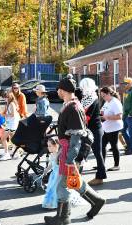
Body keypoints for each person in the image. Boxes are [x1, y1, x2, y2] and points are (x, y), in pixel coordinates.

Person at [44, 76, 105, 225]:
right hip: (67, 149)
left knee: (62, 186)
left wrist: (71, 159)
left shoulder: (73, 107)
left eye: (58, 89)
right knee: (73, 181)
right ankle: (96, 201)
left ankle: (63, 218)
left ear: (63, 90)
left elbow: (77, 135)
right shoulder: (70, 105)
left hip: (70, 151)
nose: (57, 91)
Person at [42, 137, 86, 209]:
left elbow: (62, 164)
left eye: (50, 145)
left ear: (56, 145)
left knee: (56, 188)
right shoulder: (52, 154)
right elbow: (51, 164)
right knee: (51, 188)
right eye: (48, 145)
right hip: (53, 175)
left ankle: (56, 203)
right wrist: (46, 170)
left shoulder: (60, 154)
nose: (48, 147)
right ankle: (50, 202)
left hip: (59, 174)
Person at [79, 78, 106, 186]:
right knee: (83, 152)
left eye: (83, 87)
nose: (81, 90)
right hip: (90, 129)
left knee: (97, 153)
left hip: (95, 130)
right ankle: (76, 174)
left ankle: (100, 177)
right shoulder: (86, 98)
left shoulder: (93, 99)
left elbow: (87, 117)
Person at [100, 87, 124, 171]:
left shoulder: (115, 102)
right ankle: (101, 164)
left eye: (104, 96)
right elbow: (102, 111)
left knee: (114, 146)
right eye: (102, 96)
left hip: (114, 128)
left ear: (109, 94)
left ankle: (116, 165)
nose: (103, 98)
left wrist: (107, 117)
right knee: (102, 145)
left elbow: (119, 116)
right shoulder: (107, 101)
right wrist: (100, 115)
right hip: (106, 128)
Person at [1, 92, 20, 157]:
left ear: (10, 97)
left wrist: (5, 114)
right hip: (10, 123)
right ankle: (17, 152)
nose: (5, 99)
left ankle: (7, 153)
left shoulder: (12, 104)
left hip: (12, 124)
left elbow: (13, 115)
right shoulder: (8, 104)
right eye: (4, 97)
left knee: (3, 138)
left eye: (6, 97)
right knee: (13, 139)